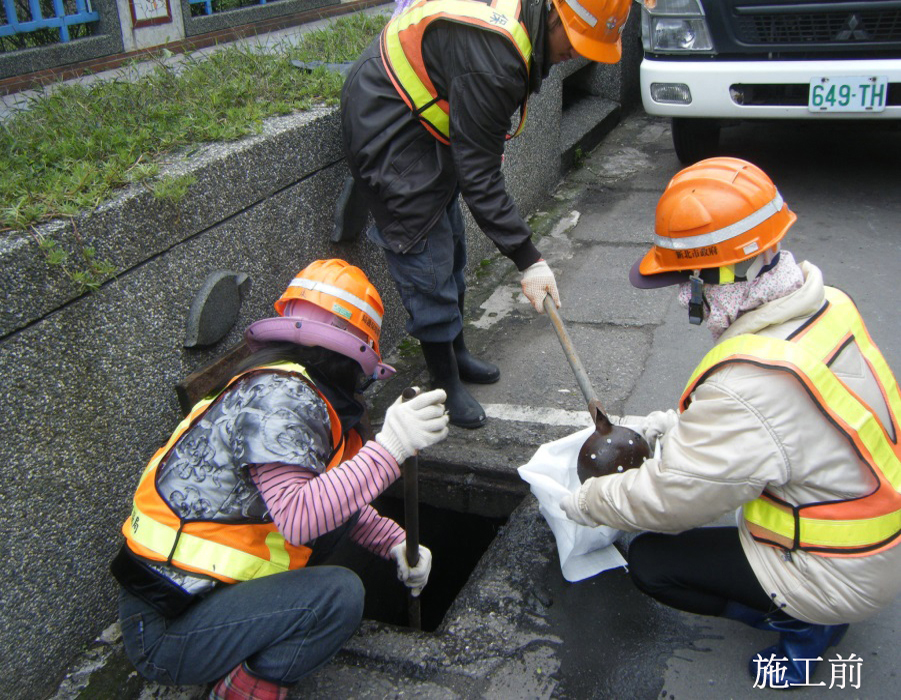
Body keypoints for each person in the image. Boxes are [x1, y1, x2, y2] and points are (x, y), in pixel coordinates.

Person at [559, 158, 901, 686]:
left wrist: (585, 503)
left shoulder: (748, 384)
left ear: (709, 279)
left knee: (651, 562)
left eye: (682, 280)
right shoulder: (825, 304)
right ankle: (818, 606)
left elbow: (671, 499)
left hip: (842, 569)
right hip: (874, 526)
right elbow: (773, 423)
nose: (679, 298)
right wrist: (661, 427)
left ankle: (805, 627)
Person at [111, 259, 449, 699]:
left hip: (187, 601)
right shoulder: (282, 398)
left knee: (335, 539)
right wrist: (390, 449)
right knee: (338, 595)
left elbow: (332, 494)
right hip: (167, 629)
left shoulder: (284, 387)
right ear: (355, 355)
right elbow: (300, 515)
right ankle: (239, 690)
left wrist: (393, 541)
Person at [340, 0, 634, 428]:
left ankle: (457, 354)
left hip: (423, 112)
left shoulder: (522, 28)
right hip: (386, 125)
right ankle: (444, 385)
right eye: (574, 41)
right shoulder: (495, 59)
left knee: (454, 247)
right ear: (553, 16)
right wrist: (528, 258)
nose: (578, 54)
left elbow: (477, 155)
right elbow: (479, 179)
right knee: (427, 260)